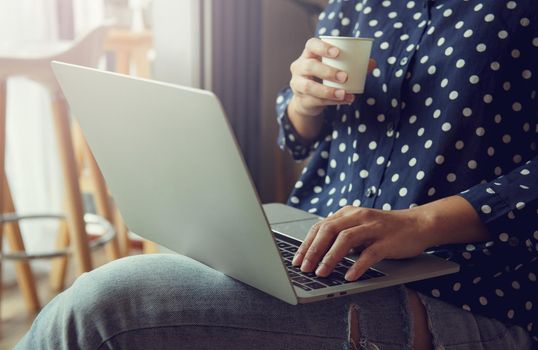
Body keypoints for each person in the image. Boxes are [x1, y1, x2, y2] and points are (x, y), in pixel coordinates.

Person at [16, 1, 537, 349]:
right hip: (313, 244)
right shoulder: (358, 5)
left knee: (104, 308)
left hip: (469, 284)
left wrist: (422, 223)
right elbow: (297, 135)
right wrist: (304, 103)